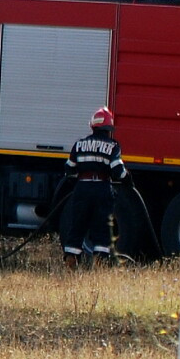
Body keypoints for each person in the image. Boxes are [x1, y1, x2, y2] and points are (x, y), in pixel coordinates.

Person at [60, 106, 127, 266]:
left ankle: (71, 261)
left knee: (77, 225)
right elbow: (118, 171)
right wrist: (127, 179)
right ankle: (99, 263)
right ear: (108, 128)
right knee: (101, 227)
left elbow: (69, 169)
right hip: (102, 189)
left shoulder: (80, 145)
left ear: (93, 126)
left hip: (82, 189)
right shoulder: (112, 146)